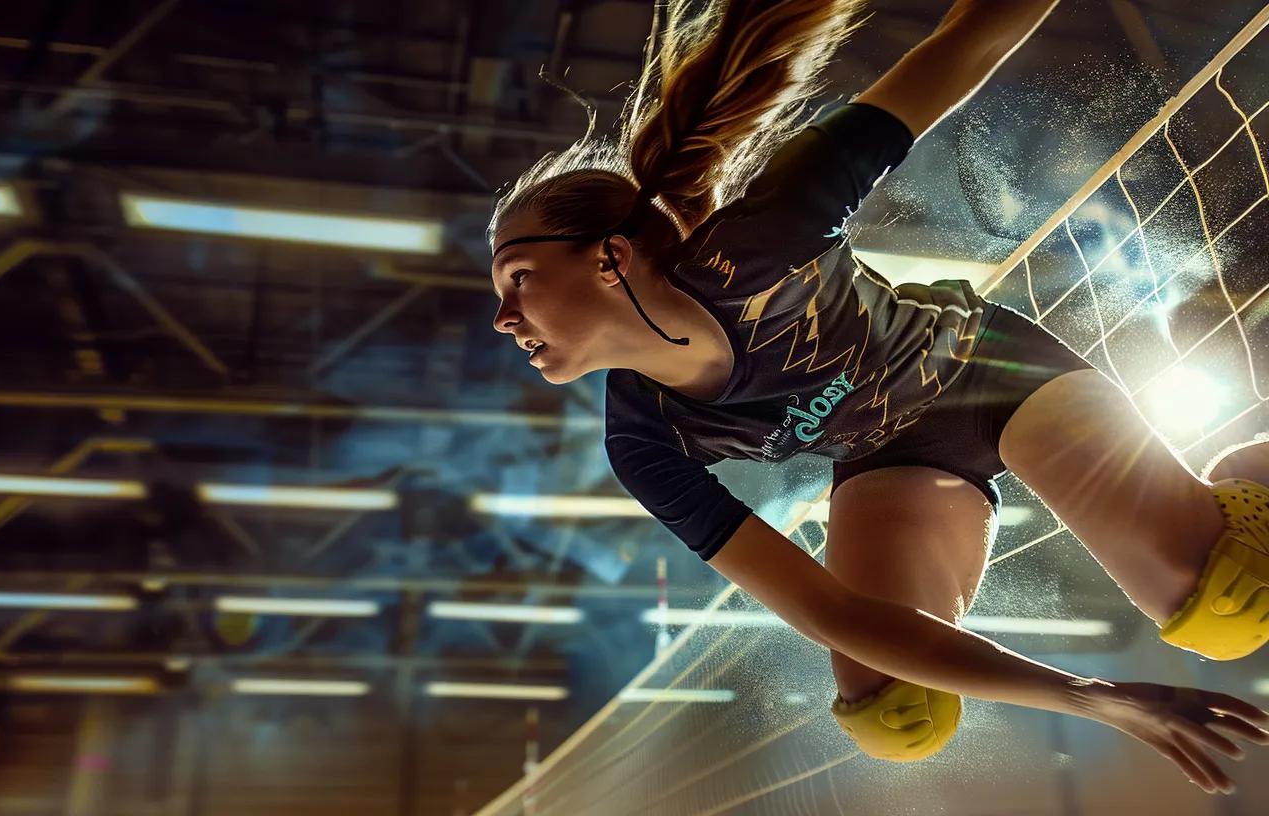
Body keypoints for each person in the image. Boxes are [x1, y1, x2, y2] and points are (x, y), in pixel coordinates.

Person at [486, 0, 1269, 795]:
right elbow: (832, 615)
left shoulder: (769, 232)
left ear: (612, 258)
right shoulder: (643, 439)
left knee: (1229, 609)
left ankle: (1254, 473)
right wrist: (1092, 700)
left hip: (986, 375)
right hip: (885, 454)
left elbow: (962, 45)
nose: (503, 317)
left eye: (519, 278)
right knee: (894, 716)